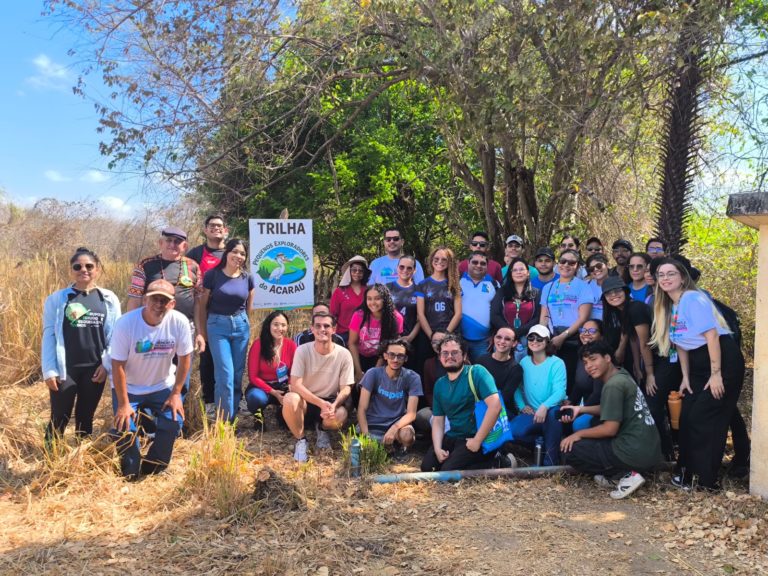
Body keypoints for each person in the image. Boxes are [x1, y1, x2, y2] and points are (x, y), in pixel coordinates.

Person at [649, 258, 744, 490]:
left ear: (683, 277)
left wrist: (716, 374)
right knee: (687, 417)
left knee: (704, 418)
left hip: (722, 361)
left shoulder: (693, 298)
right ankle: (687, 474)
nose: (665, 278)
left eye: (671, 273)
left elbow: (712, 336)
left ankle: (705, 481)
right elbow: (681, 344)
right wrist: (685, 377)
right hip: (697, 365)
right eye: (661, 274)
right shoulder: (671, 306)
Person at [109, 279, 193, 479]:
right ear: (145, 299)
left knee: (174, 420)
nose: (159, 304)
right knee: (124, 426)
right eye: (155, 299)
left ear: (172, 304)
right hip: (129, 387)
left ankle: (154, 464)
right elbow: (117, 365)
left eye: (164, 300)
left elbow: (185, 359)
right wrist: (123, 404)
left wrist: (176, 394)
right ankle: (131, 468)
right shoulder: (126, 324)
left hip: (161, 385)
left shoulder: (179, 322)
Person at [560, 341, 663, 499]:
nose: (589, 366)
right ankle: (623, 473)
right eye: (585, 363)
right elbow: (611, 407)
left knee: (570, 450)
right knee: (594, 424)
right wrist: (580, 409)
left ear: (607, 358)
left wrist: (577, 435)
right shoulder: (622, 374)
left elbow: (610, 429)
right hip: (649, 451)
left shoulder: (613, 385)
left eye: (593, 359)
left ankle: (624, 475)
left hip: (633, 452)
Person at [42, 247, 122, 446]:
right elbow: (49, 335)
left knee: (85, 417)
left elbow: (115, 336)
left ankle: (81, 457)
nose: (83, 270)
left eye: (89, 266)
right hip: (65, 369)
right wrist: (49, 370)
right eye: (77, 267)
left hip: (94, 369)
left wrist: (106, 365)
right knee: (59, 416)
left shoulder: (108, 299)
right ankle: (50, 457)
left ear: (97, 269)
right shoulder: (57, 299)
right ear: (71, 270)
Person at [127, 227, 203, 395]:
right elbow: (134, 298)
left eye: (178, 242)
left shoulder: (193, 266)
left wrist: (200, 332)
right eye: (168, 240)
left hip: (185, 328)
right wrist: (131, 329)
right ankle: (152, 407)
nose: (172, 244)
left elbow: (198, 302)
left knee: (183, 371)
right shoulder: (145, 265)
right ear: (160, 243)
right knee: (153, 373)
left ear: (184, 246)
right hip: (152, 329)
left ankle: (176, 406)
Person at [421, 334, 503, 471]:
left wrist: (477, 440)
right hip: (453, 434)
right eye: (445, 353)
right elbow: (438, 420)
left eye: (455, 352)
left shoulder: (477, 372)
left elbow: (495, 406)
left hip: (476, 436)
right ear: (440, 357)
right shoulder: (440, 384)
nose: (449, 356)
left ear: (464, 355)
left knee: (447, 472)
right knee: (428, 468)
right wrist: (437, 448)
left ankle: (499, 461)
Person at [283, 312, 355, 462]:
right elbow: (295, 384)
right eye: (318, 326)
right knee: (290, 399)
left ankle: (322, 430)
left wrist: (335, 404)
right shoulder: (302, 350)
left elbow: (346, 388)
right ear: (312, 329)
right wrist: (320, 403)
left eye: (326, 326)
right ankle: (301, 440)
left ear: (334, 329)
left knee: (341, 415)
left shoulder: (344, 354)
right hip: (306, 400)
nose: (322, 329)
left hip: (330, 401)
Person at [196, 239, 254, 423]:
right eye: (234, 251)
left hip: (241, 326)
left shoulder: (248, 278)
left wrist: (244, 323)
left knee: (237, 374)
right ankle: (224, 422)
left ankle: (232, 415)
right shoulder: (212, 275)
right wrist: (202, 332)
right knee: (225, 375)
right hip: (217, 326)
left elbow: (249, 307)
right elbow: (202, 306)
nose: (238, 256)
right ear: (226, 253)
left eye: (242, 253)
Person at [185, 215, 228, 412]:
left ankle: (230, 398)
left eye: (219, 226)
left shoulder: (232, 252)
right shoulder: (195, 253)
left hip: (227, 313)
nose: (216, 228)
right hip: (205, 313)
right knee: (207, 357)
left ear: (225, 230)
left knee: (227, 358)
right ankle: (209, 399)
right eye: (212, 225)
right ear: (205, 229)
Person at [510, 325, 566, 466]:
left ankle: (550, 461)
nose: (535, 341)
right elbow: (517, 388)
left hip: (551, 410)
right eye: (531, 338)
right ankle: (542, 443)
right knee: (513, 431)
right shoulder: (524, 362)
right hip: (532, 413)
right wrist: (522, 406)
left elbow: (560, 392)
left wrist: (544, 406)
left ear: (547, 341)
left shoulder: (557, 363)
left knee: (554, 415)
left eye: (539, 338)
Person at [539, 249, 593, 392]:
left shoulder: (583, 287)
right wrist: (542, 337)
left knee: (572, 379)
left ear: (577, 266)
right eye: (563, 261)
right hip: (552, 339)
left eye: (571, 262)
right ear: (558, 264)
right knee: (553, 379)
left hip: (574, 338)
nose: (566, 265)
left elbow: (583, 318)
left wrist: (564, 336)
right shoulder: (548, 288)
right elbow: (544, 316)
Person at [358, 338, 422, 453]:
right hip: (373, 421)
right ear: (385, 355)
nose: (395, 360)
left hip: (397, 422)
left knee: (407, 435)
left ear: (406, 358)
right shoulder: (373, 373)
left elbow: (411, 414)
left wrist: (394, 428)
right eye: (391, 355)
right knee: (361, 446)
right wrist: (366, 436)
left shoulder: (413, 377)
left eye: (400, 356)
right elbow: (362, 408)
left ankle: (398, 448)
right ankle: (384, 446)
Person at [245, 310, 297, 427]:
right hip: (262, 386)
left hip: (283, 385)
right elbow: (253, 376)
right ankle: (258, 417)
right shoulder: (258, 344)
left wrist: (290, 386)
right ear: (268, 325)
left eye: (283, 325)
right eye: (276, 324)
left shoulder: (291, 345)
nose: (280, 328)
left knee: (292, 404)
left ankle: (282, 414)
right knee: (256, 398)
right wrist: (273, 392)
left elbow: (294, 372)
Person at [415, 246, 462, 370]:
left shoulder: (454, 285)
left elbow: (458, 314)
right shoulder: (422, 285)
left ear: (449, 262)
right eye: (436, 258)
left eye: (444, 259)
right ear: (431, 260)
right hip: (428, 334)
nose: (439, 261)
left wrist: (445, 335)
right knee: (426, 368)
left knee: (450, 367)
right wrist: (432, 337)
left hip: (450, 333)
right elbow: (420, 314)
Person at [348, 284, 404, 382]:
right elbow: (352, 343)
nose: (373, 302)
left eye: (377, 298)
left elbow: (390, 347)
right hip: (359, 357)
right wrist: (358, 371)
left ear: (384, 299)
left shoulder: (396, 318)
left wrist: (374, 372)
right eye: (369, 299)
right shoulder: (358, 316)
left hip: (383, 358)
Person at [491, 257, 541, 360]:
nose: (518, 272)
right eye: (515, 270)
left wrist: (519, 332)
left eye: (522, 269)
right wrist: (510, 332)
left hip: (528, 339)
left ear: (528, 273)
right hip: (505, 339)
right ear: (511, 273)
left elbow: (537, 317)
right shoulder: (502, 292)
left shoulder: (536, 293)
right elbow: (495, 315)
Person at [565, 319, 605, 431]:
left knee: (578, 424)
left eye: (592, 331)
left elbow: (597, 394)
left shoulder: (601, 358)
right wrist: (570, 401)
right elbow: (580, 382)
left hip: (599, 408)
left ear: (601, 336)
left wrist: (579, 410)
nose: (586, 334)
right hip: (584, 404)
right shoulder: (582, 353)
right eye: (583, 330)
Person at [460, 252, 500, 362]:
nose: (478, 265)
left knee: (481, 370)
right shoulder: (457, 281)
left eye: (483, 263)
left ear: (487, 266)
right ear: (468, 263)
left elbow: (499, 312)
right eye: (475, 262)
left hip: (484, 342)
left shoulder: (494, 284)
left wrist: (495, 334)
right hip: (460, 340)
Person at [475, 327, 523, 414]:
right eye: (499, 337)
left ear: (514, 343)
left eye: (507, 339)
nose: (502, 341)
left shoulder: (516, 369)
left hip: (503, 411)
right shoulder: (481, 360)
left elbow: (505, 397)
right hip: (479, 406)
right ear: (494, 339)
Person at [385, 255, 421, 355]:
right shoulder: (387, 288)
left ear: (414, 270)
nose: (405, 270)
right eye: (402, 267)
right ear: (397, 268)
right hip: (390, 339)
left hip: (412, 340)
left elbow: (420, 318)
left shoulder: (419, 290)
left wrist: (410, 337)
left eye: (409, 268)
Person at [330, 255, 370, 343]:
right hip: (343, 334)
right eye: (354, 270)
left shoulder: (368, 291)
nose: (357, 273)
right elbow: (332, 314)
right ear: (349, 271)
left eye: (360, 271)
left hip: (363, 335)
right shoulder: (339, 291)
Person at [585, 253, 610, 320]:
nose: (595, 269)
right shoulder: (586, 285)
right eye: (591, 268)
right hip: (588, 324)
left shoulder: (617, 283)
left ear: (607, 265)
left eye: (599, 266)